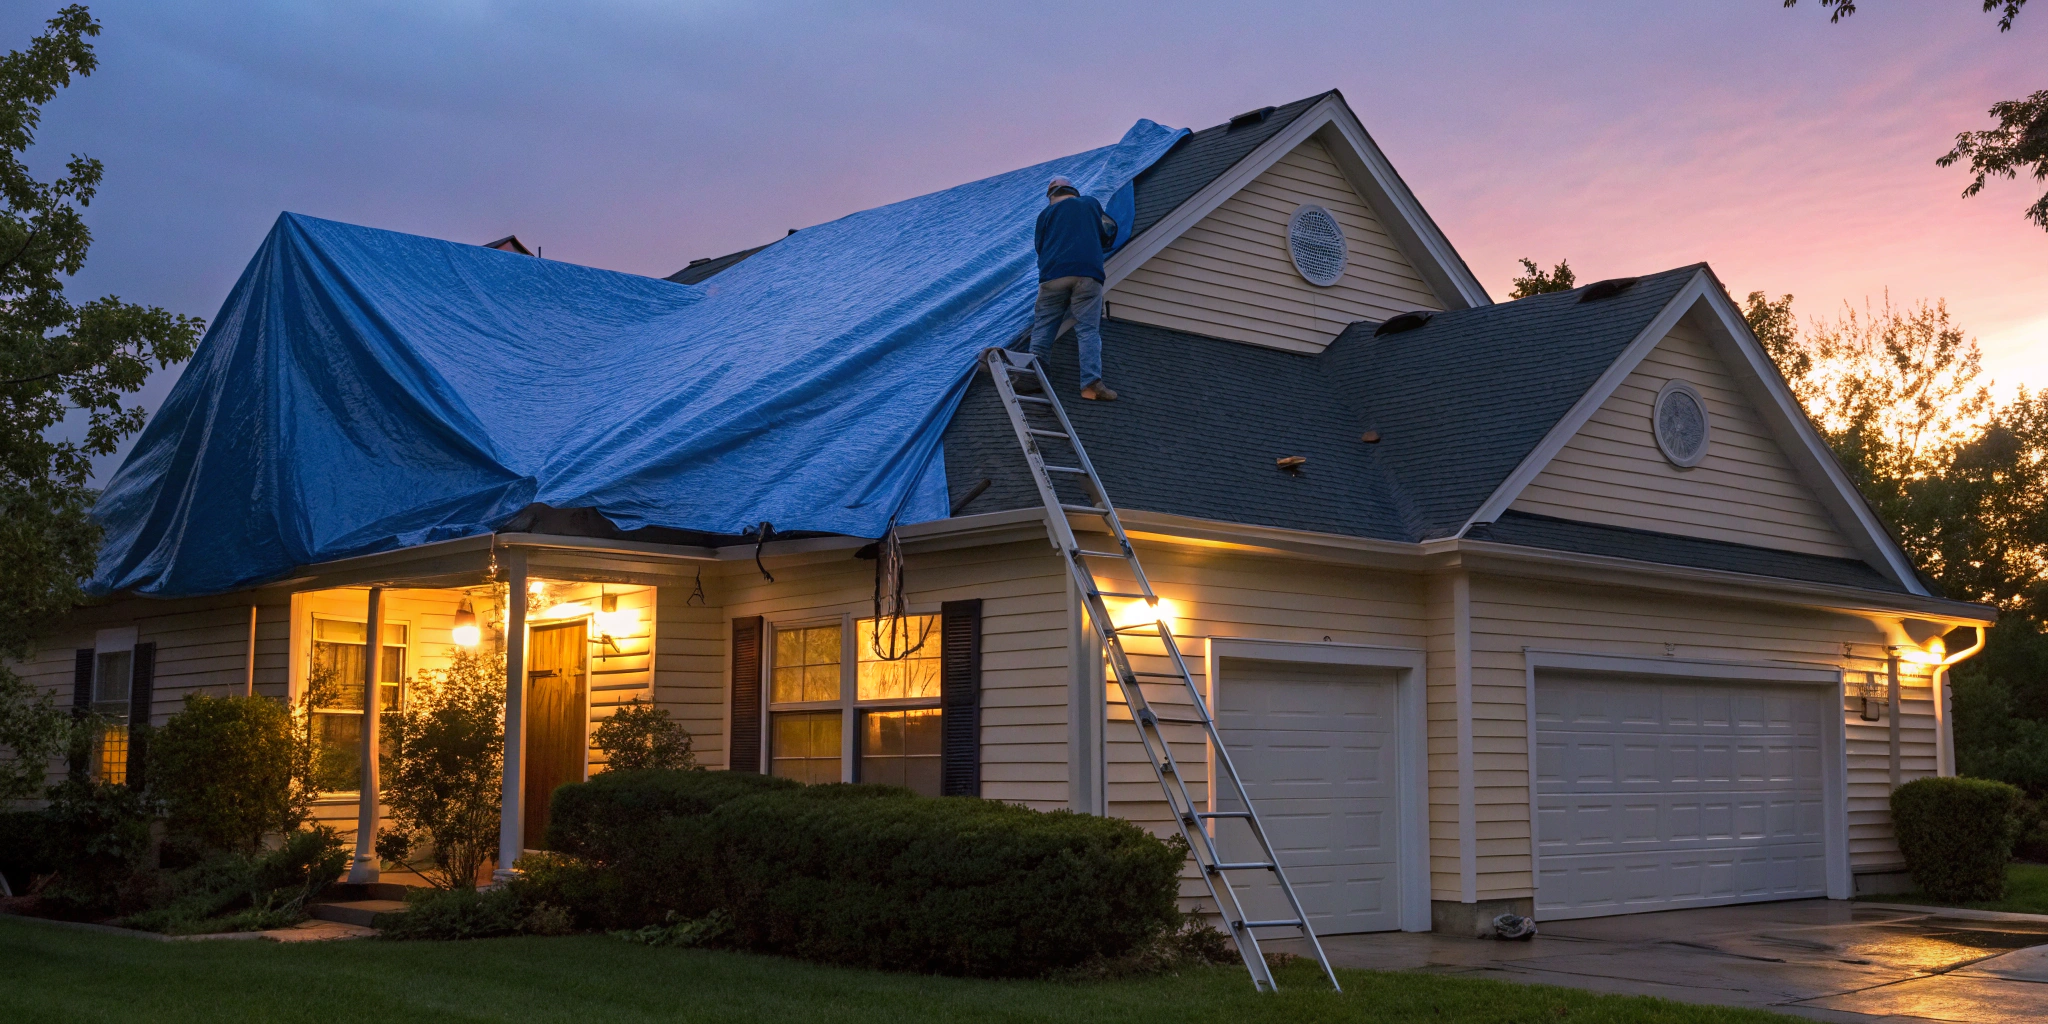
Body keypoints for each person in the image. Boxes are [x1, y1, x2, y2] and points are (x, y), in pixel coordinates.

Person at [1024, 175, 1120, 400]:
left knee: (1044, 326)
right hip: (1087, 273)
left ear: (1051, 196)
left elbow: (1040, 247)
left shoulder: (1045, 215)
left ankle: (1035, 378)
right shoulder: (1089, 203)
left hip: (1053, 276)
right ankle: (1090, 385)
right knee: (1087, 329)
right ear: (1072, 191)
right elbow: (1107, 231)